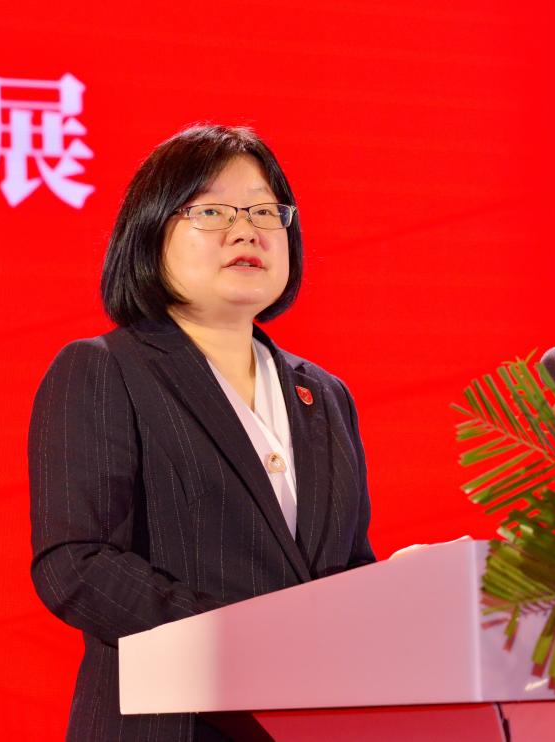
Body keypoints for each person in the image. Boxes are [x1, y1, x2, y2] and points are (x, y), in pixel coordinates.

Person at [28, 125, 375, 741]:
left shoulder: (325, 395)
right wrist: (237, 643)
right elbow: (75, 565)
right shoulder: (104, 369)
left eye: (265, 211)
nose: (246, 231)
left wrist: (394, 592)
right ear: (150, 234)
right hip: (173, 724)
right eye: (212, 211)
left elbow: (345, 566)